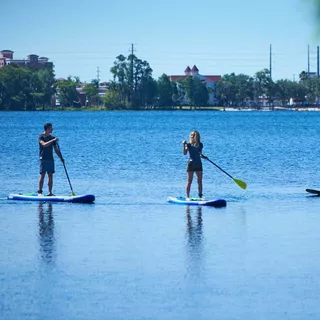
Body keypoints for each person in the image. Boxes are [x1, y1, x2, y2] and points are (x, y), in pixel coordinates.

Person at [37, 123, 64, 196]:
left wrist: (61, 158)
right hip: (43, 158)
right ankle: (40, 192)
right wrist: (53, 140)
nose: (52, 129)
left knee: (50, 175)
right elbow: (44, 145)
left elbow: (56, 150)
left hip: (50, 159)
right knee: (42, 175)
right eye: (51, 128)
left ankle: (50, 192)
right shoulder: (41, 137)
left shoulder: (52, 138)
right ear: (47, 129)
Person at [182, 130, 207, 200]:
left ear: (197, 136)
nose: (192, 136)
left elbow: (200, 155)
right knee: (189, 181)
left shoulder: (200, 144)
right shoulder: (189, 145)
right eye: (191, 135)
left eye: (193, 135)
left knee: (200, 181)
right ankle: (187, 196)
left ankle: (200, 195)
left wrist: (204, 157)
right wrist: (183, 145)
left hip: (198, 164)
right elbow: (184, 153)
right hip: (191, 164)